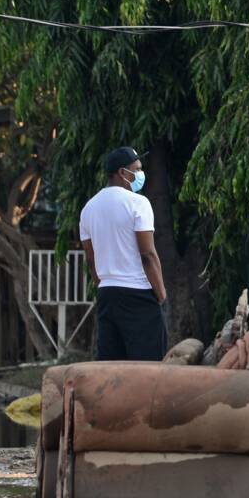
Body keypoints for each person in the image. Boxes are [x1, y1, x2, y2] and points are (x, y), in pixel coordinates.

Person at [80, 147, 168, 360]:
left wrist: (104, 286)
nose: (140, 174)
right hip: (138, 294)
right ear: (122, 172)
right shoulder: (138, 203)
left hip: (106, 295)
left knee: (111, 367)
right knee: (148, 367)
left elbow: (91, 260)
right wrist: (161, 294)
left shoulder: (89, 208)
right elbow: (147, 254)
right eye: (136, 170)